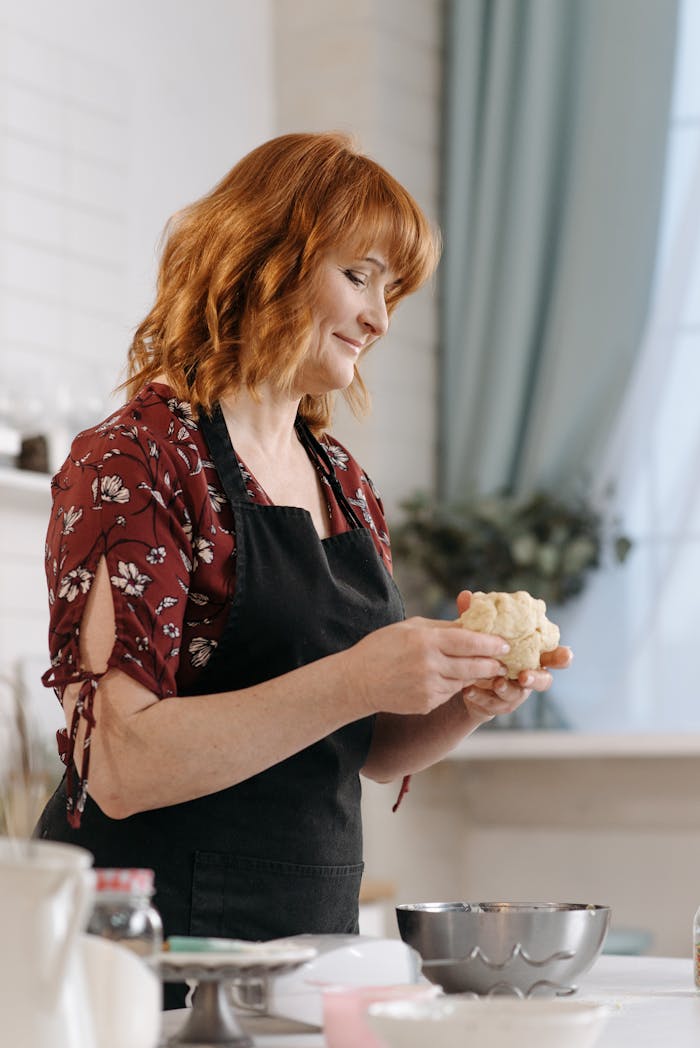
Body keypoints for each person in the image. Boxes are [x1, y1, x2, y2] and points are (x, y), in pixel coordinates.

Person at [35, 132, 571, 1004]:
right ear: (263, 257)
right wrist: (358, 673)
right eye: (358, 275)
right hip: (146, 951)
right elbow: (120, 766)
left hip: (309, 951)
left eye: (391, 289)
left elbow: (362, 745)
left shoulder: (342, 480)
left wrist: (463, 703)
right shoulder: (135, 461)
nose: (380, 317)